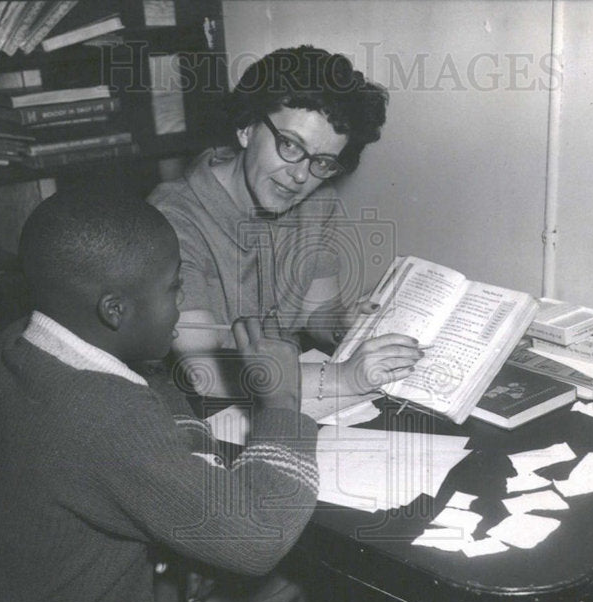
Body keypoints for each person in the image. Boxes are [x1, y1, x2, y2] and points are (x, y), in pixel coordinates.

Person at [0, 189, 395, 602]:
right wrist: (284, 403)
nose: (181, 305)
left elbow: (153, 388)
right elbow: (256, 538)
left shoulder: (26, 345)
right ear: (115, 310)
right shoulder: (94, 412)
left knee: (279, 597)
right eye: (174, 287)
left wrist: (188, 532)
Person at [149, 45, 423, 400]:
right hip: (199, 413)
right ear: (246, 128)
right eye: (290, 145)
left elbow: (316, 312)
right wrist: (342, 378)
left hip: (287, 396)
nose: (300, 176)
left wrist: (342, 325)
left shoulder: (317, 202)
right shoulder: (171, 217)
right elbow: (204, 371)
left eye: (322, 162)